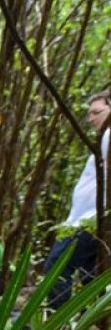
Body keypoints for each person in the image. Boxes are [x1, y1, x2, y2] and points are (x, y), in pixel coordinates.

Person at [43, 90, 110, 309]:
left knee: (57, 267)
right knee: (90, 278)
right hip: (86, 219)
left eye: (97, 112)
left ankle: (55, 328)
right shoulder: (104, 138)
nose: (91, 118)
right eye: (89, 114)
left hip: (90, 221)